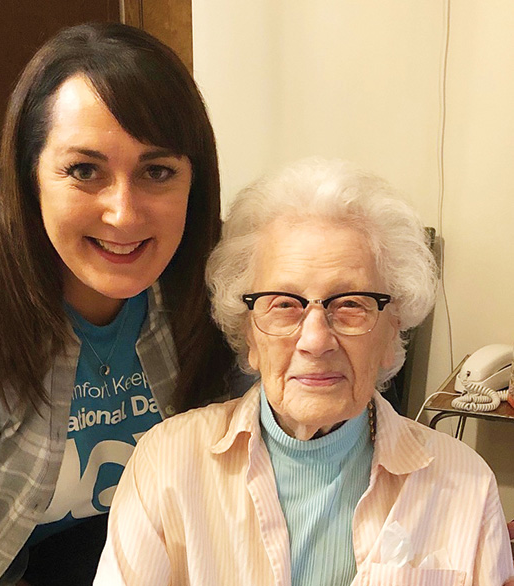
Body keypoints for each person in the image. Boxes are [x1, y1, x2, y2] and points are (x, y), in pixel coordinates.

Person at [0, 22, 240, 586]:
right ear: (29, 176)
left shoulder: (216, 277)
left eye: (157, 171)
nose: (123, 214)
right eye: (84, 170)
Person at [95, 158, 514, 585]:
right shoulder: (166, 464)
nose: (315, 341)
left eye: (351, 303)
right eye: (283, 303)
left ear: (393, 330)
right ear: (249, 334)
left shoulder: (466, 485)